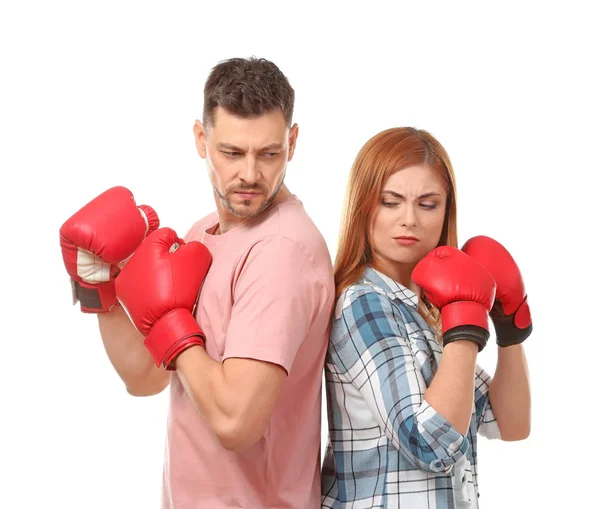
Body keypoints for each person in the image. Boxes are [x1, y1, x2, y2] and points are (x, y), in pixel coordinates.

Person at [59, 57, 335, 508]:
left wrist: (169, 322)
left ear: (293, 141)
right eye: (232, 153)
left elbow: (235, 422)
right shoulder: (201, 234)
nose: (250, 174)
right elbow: (145, 378)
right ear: (201, 139)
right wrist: (100, 288)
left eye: (269, 153)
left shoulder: (280, 252)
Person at [320, 127, 532, 508]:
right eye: (390, 201)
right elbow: (431, 443)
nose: (409, 220)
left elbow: (510, 423)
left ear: (446, 210)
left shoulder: (428, 311)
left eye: (428, 204)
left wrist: (509, 329)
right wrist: (467, 323)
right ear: (363, 205)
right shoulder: (362, 303)